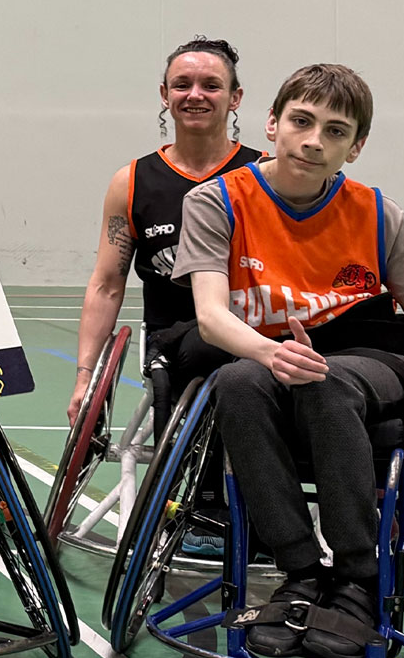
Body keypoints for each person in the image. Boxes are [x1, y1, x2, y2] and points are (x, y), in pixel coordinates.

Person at [174, 63, 404, 658]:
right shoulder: (216, 202)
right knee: (234, 381)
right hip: (268, 353)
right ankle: (300, 572)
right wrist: (270, 352)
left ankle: (357, 577)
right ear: (272, 124)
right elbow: (210, 316)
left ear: (355, 147)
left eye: (336, 131)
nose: (314, 140)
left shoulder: (379, 214)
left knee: (326, 379)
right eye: (301, 121)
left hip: (366, 354)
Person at [66, 37, 263, 425]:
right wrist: (85, 379)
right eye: (182, 84)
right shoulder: (132, 182)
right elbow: (106, 286)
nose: (195, 95)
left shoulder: (265, 176)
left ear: (235, 98)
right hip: (175, 346)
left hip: (257, 336)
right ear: (164, 94)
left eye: (211, 85)